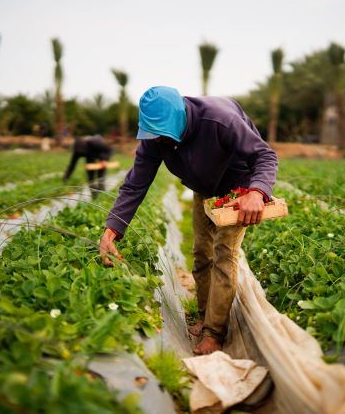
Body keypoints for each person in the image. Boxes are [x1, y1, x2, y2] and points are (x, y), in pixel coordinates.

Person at [99, 86, 278, 355]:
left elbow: (265, 155)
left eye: (162, 133)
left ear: (180, 116)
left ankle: (215, 334)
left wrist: (256, 192)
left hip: (239, 188)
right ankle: (206, 316)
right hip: (203, 186)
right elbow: (135, 183)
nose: (158, 139)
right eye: (154, 133)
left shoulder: (220, 120)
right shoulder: (155, 139)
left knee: (224, 254)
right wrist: (113, 227)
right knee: (201, 252)